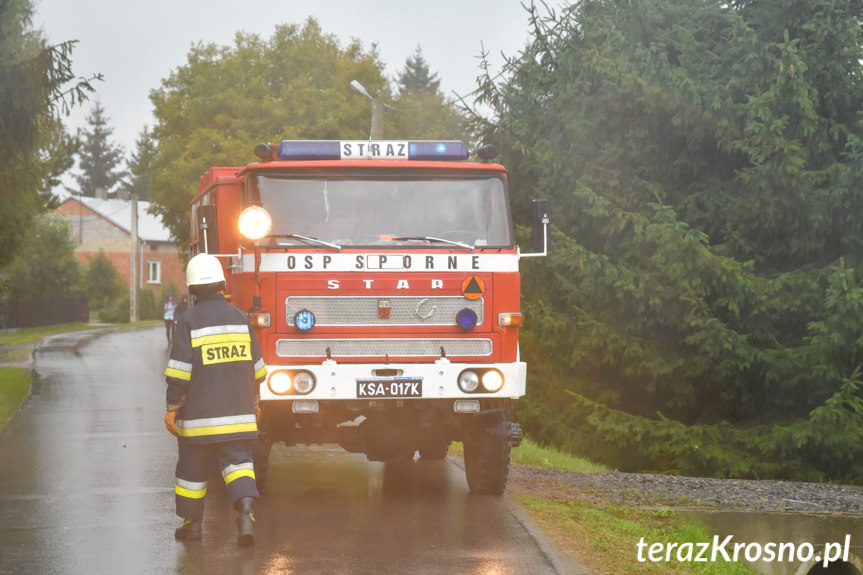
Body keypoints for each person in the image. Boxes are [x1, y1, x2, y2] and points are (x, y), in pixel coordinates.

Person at [163, 253, 267, 546]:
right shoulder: (240, 318)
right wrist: (255, 402)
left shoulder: (188, 321)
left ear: (192, 288)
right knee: (239, 465)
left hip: (199, 420)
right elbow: (258, 370)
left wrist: (172, 409)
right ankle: (246, 516)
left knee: (192, 471)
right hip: (239, 417)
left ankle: (192, 525)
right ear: (222, 283)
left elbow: (179, 373)